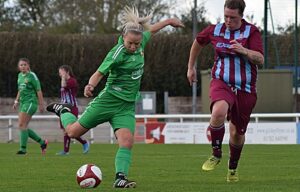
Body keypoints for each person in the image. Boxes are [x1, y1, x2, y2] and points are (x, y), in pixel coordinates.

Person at [47, 6, 184, 188]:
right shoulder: (117, 53)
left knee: (127, 142)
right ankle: (62, 110)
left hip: (126, 106)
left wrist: (169, 22)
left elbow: (152, 30)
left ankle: (120, 178)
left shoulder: (140, 41)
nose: (134, 47)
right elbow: (99, 72)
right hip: (108, 101)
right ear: (123, 38)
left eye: (136, 44)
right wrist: (90, 86)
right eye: (130, 44)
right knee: (72, 132)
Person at [187, 0, 264, 182]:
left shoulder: (251, 32)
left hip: (245, 89)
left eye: (233, 17)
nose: (228, 20)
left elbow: (260, 59)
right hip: (221, 81)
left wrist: (244, 50)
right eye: (226, 16)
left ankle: (232, 168)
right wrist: (191, 67)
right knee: (218, 112)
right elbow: (198, 42)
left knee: (238, 133)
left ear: (241, 16)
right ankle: (216, 153)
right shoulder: (215, 30)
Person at [13, 58, 48, 155]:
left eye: (25, 64)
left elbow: (38, 90)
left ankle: (23, 150)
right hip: (23, 103)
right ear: (18, 67)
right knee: (22, 126)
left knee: (22, 125)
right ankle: (42, 142)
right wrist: (16, 101)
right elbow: (20, 89)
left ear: (28, 65)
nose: (23, 66)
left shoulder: (32, 76)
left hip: (31, 102)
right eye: (21, 65)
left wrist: (41, 104)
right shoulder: (19, 75)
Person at [56, 65, 89, 155]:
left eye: (61, 72)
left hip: (71, 108)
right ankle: (66, 151)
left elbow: (64, 85)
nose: (60, 74)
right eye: (59, 73)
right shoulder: (65, 81)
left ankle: (84, 142)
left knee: (71, 130)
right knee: (65, 130)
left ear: (67, 72)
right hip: (63, 109)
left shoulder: (72, 81)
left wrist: (63, 77)